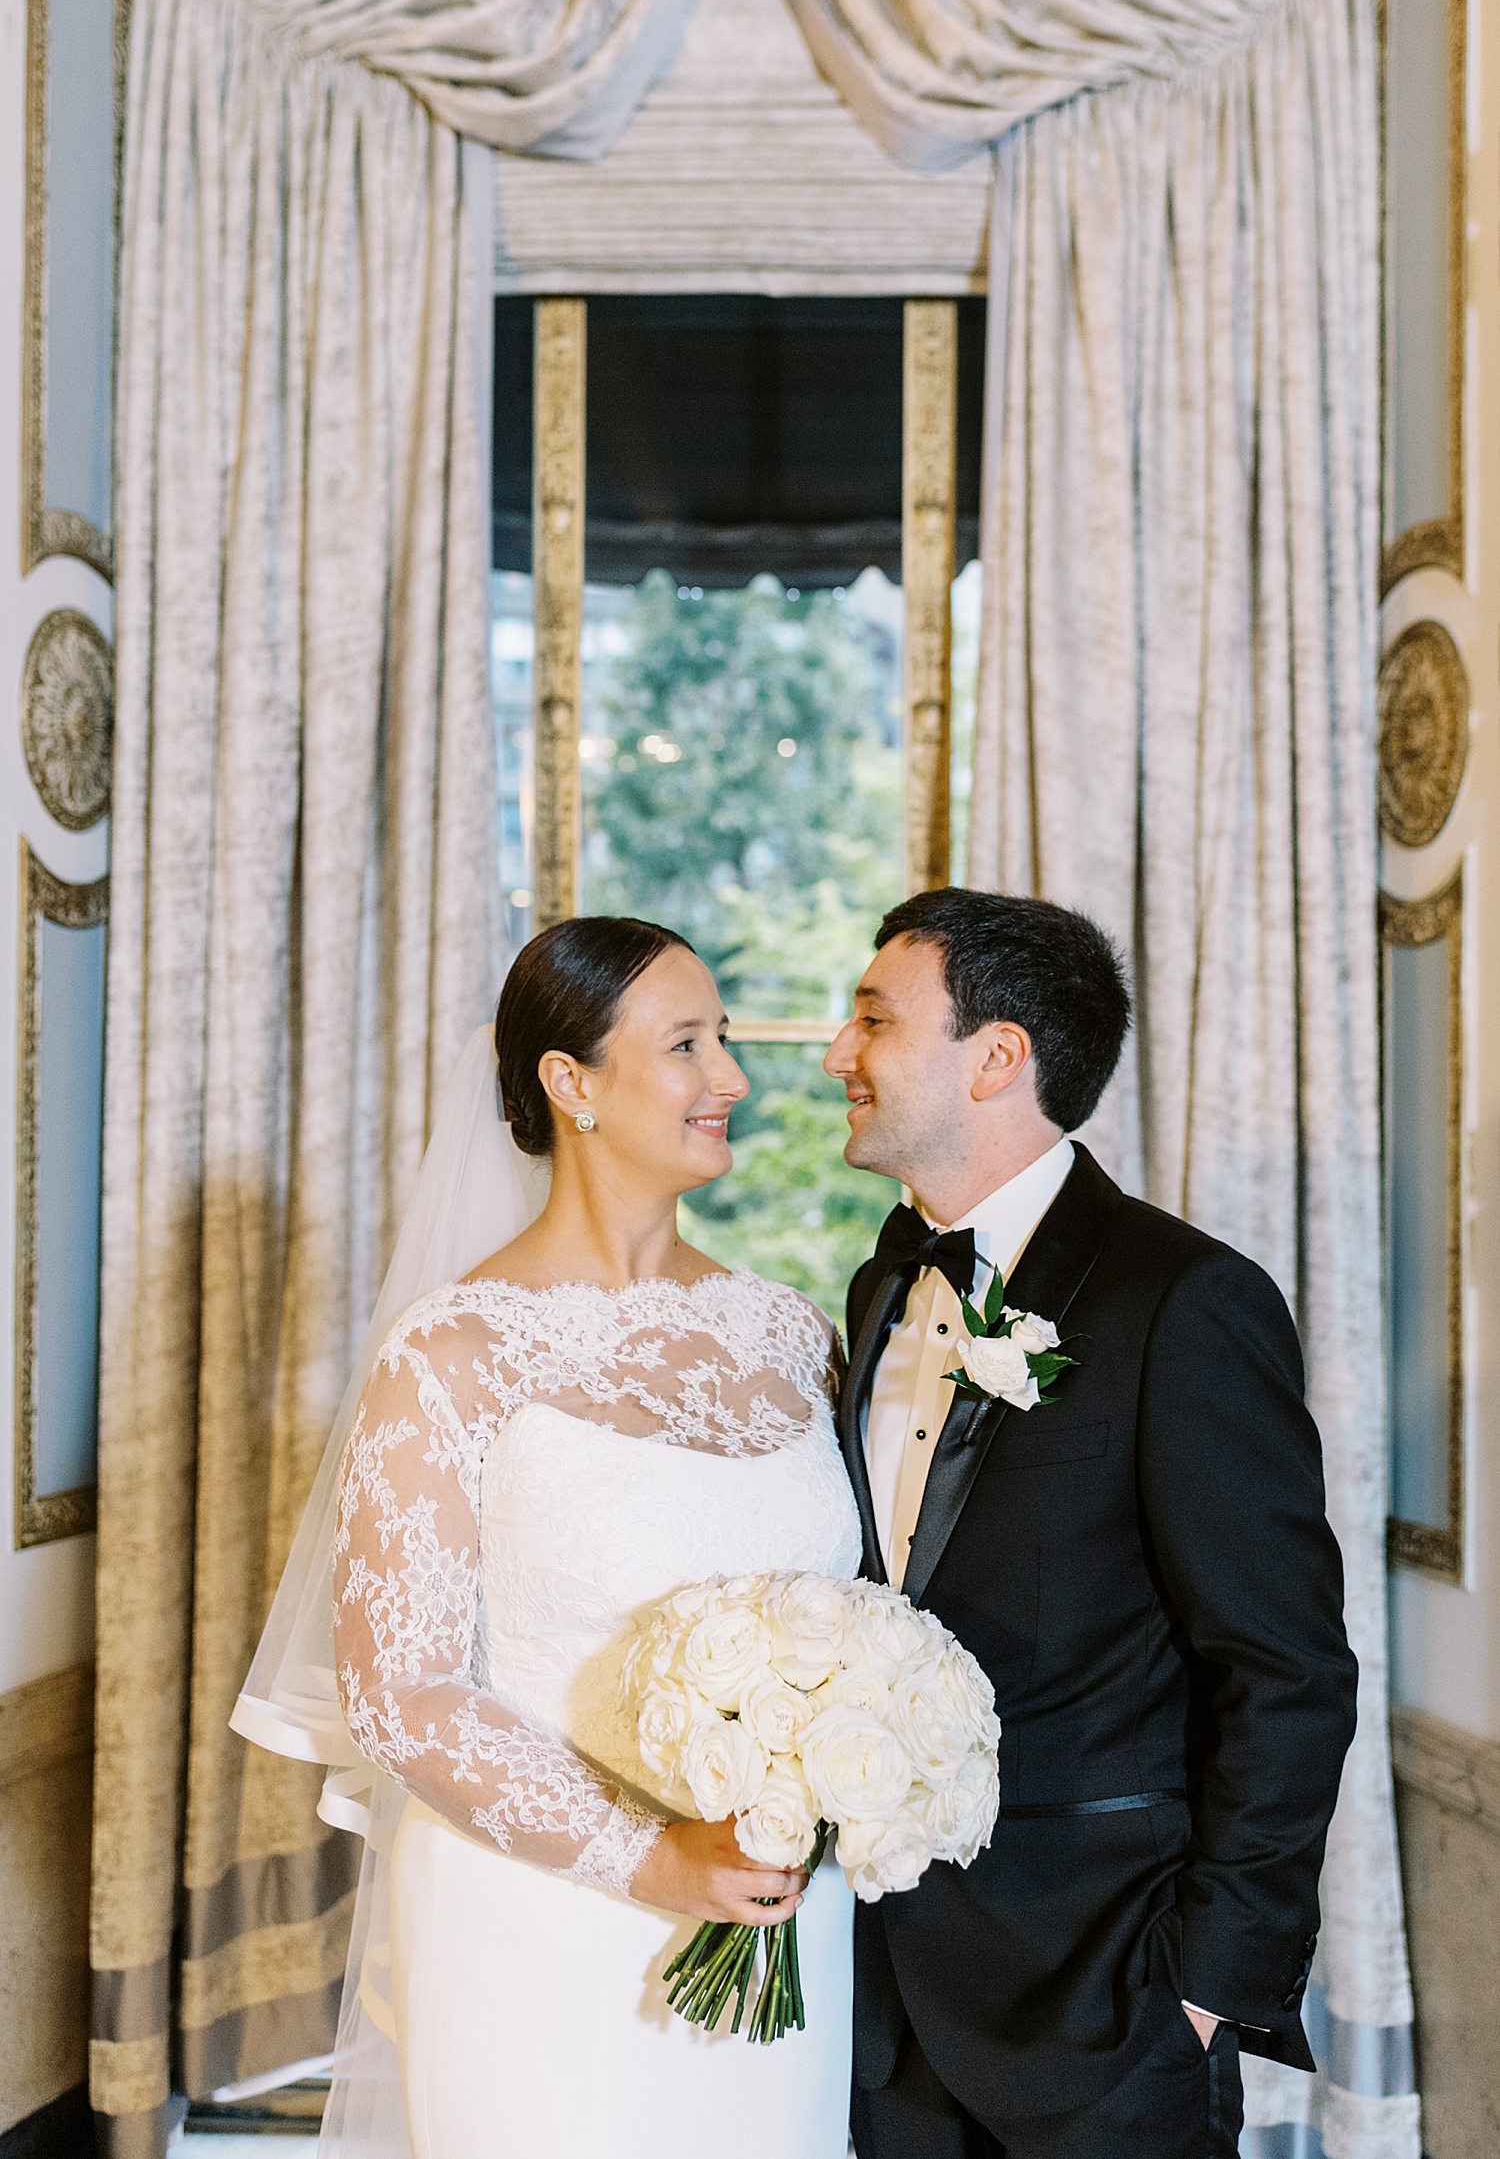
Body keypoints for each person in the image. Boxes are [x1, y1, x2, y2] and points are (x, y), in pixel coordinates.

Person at [235, 918, 860, 2159]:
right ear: (569, 1084)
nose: (731, 1077)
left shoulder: (794, 1337)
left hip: (782, 1912)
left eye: (725, 1039)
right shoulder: (451, 1355)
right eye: (687, 1045)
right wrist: (650, 1860)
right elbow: (405, 1696)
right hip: (542, 1920)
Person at [824, 887, 1359, 2159]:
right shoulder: (883, 1281)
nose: (839, 1054)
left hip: (1105, 2000)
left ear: (996, 1056)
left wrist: (1208, 1990)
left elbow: (1286, 1670)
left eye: (872, 1020)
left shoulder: (1186, 1301)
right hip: (883, 2002)